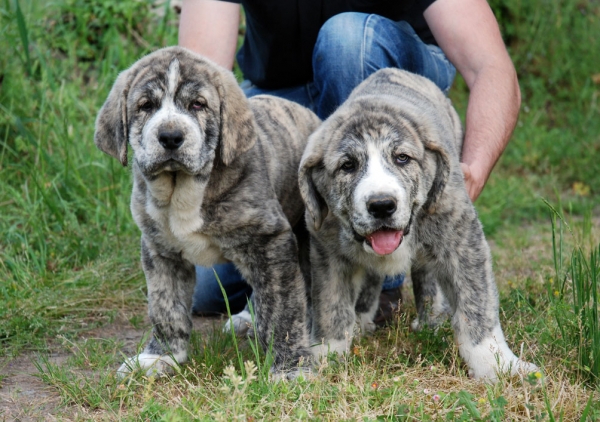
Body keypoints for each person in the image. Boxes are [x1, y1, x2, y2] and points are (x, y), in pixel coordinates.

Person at [178, 0, 521, 318]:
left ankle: (376, 280)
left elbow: (489, 66)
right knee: (208, 290)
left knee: (345, 40)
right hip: (283, 93)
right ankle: (311, 261)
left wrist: (472, 169)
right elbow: (198, 80)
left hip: (386, 75)